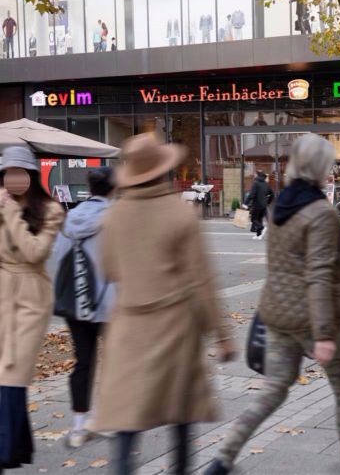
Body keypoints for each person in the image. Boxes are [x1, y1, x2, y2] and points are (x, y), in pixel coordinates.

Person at [205, 135, 340, 475]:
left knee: (273, 391)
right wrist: (324, 334)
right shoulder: (320, 213)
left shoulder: (281, 207)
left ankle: (222, 459)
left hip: (278, 314)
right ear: (322, 168)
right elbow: (319, 274)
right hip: (313, 319)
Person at [89, 135, 234, 475]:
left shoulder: (113, 217)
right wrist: (222, 336)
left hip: (128, 328)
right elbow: (202, 281)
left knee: (127, 417)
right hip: (175, 327)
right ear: (162, 171)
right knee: (180, 413)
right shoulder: (180, 214)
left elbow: (108, 270)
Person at [0, 147, 65, 474]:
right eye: (8, 173)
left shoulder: (50, 209)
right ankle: (18, 448)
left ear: (33, 176)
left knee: (13, 374)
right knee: (11, 376)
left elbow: (34, 252)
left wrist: (9, 215)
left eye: (20, 173)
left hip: (31, 298)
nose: (14, 179)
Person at [49, 168, 117, 448]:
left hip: (77, 302)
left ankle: (79, 424)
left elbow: (57, 259)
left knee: (83, 362)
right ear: (114, 188)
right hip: (109, 301)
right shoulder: (116, 218)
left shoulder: (70, 218)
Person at [246, 171, 273, 240]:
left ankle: (262, 228)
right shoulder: (265, 184)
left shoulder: (256, 183)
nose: (254, 176)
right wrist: (268, 202)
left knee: (253, 219)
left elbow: (252, 194)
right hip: (264, 205)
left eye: (255, 175)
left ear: (258, 176)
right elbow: (272, 194)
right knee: (259, 219)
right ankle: (258, 235)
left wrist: (245, 203)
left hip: (257, 205)